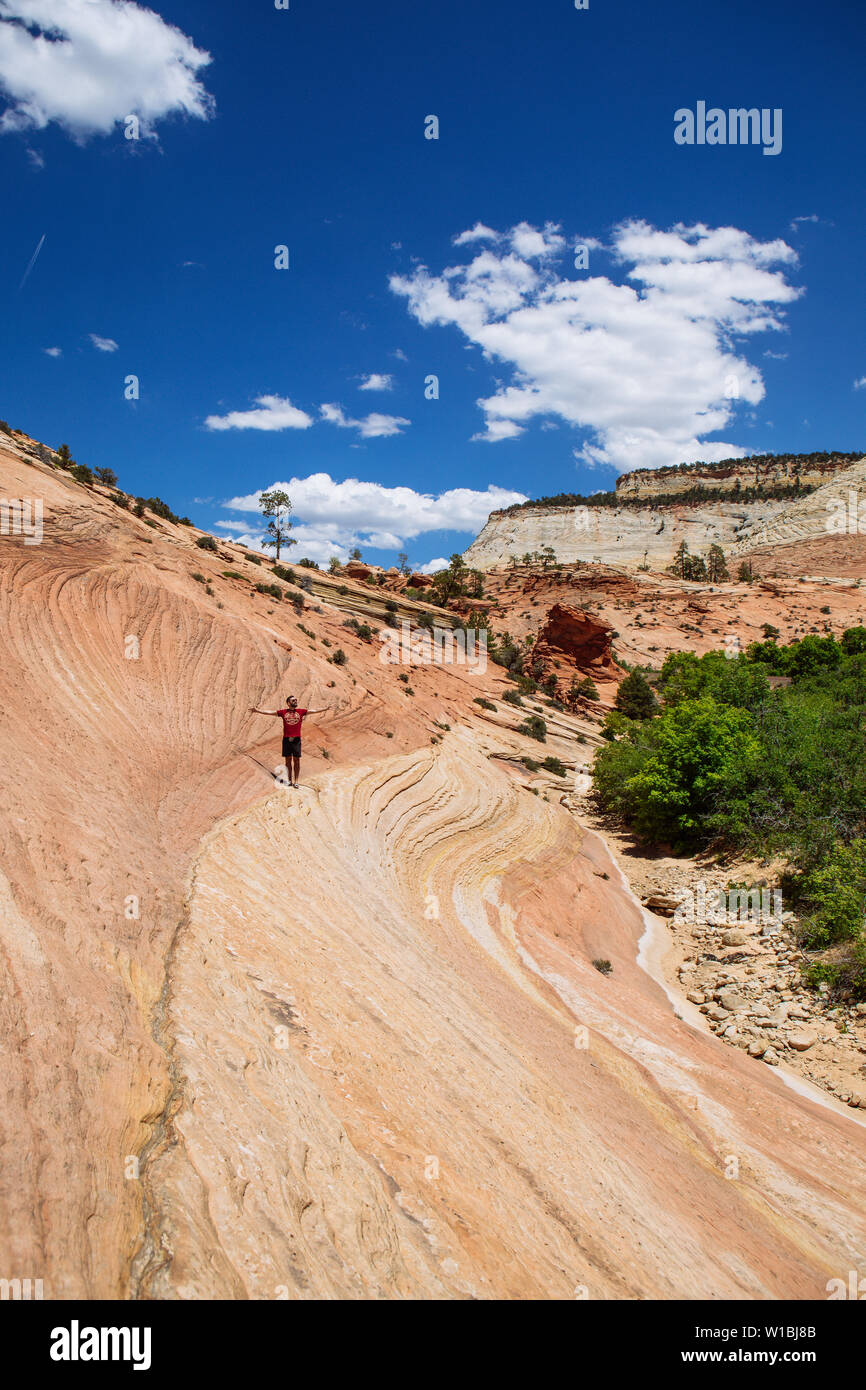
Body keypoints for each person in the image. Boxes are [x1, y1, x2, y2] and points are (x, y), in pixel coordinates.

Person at [249, 695, 328, 787]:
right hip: (286, 740)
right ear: (288, 703)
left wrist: (325, 709)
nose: (295, 701)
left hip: (296, 739)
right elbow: (270, 712)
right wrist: (258, 711)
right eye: (293, 700)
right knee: (288, 760)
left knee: (297, 760)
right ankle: (290, 781)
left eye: (296, 700)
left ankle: (296, 781)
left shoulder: (301, 711)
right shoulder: (283, 712)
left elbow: (313, 711)